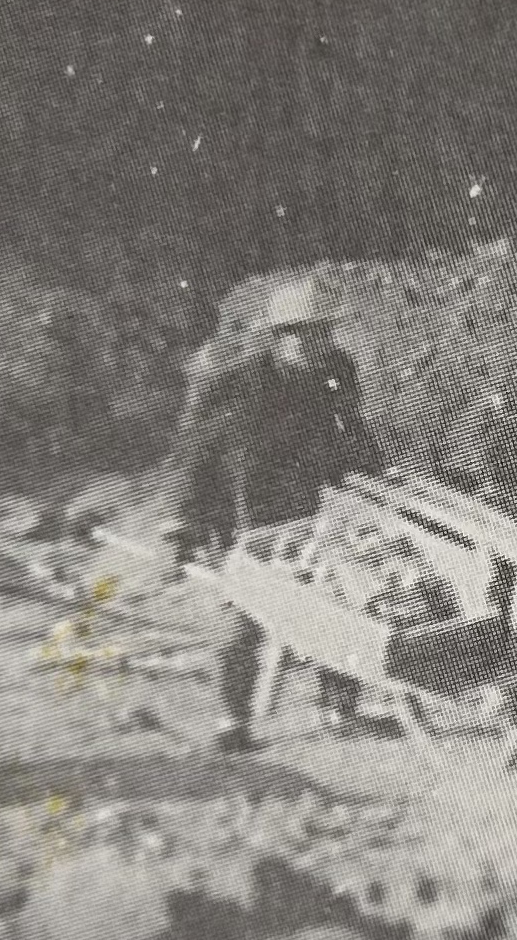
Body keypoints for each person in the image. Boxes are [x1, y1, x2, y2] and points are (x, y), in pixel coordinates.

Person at [160, 278, 386, 752]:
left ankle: (339, 708)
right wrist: (182, 529)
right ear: (279, 336)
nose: (318, 344)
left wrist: (374, 474)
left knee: (338, 601)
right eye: (305, 334)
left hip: (314, 509)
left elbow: (351, 429)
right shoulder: (237, 388)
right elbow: (195, 458)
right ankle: (232, 720)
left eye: (324, 332)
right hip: (247, 512)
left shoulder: (335, 373)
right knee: (247, 613)